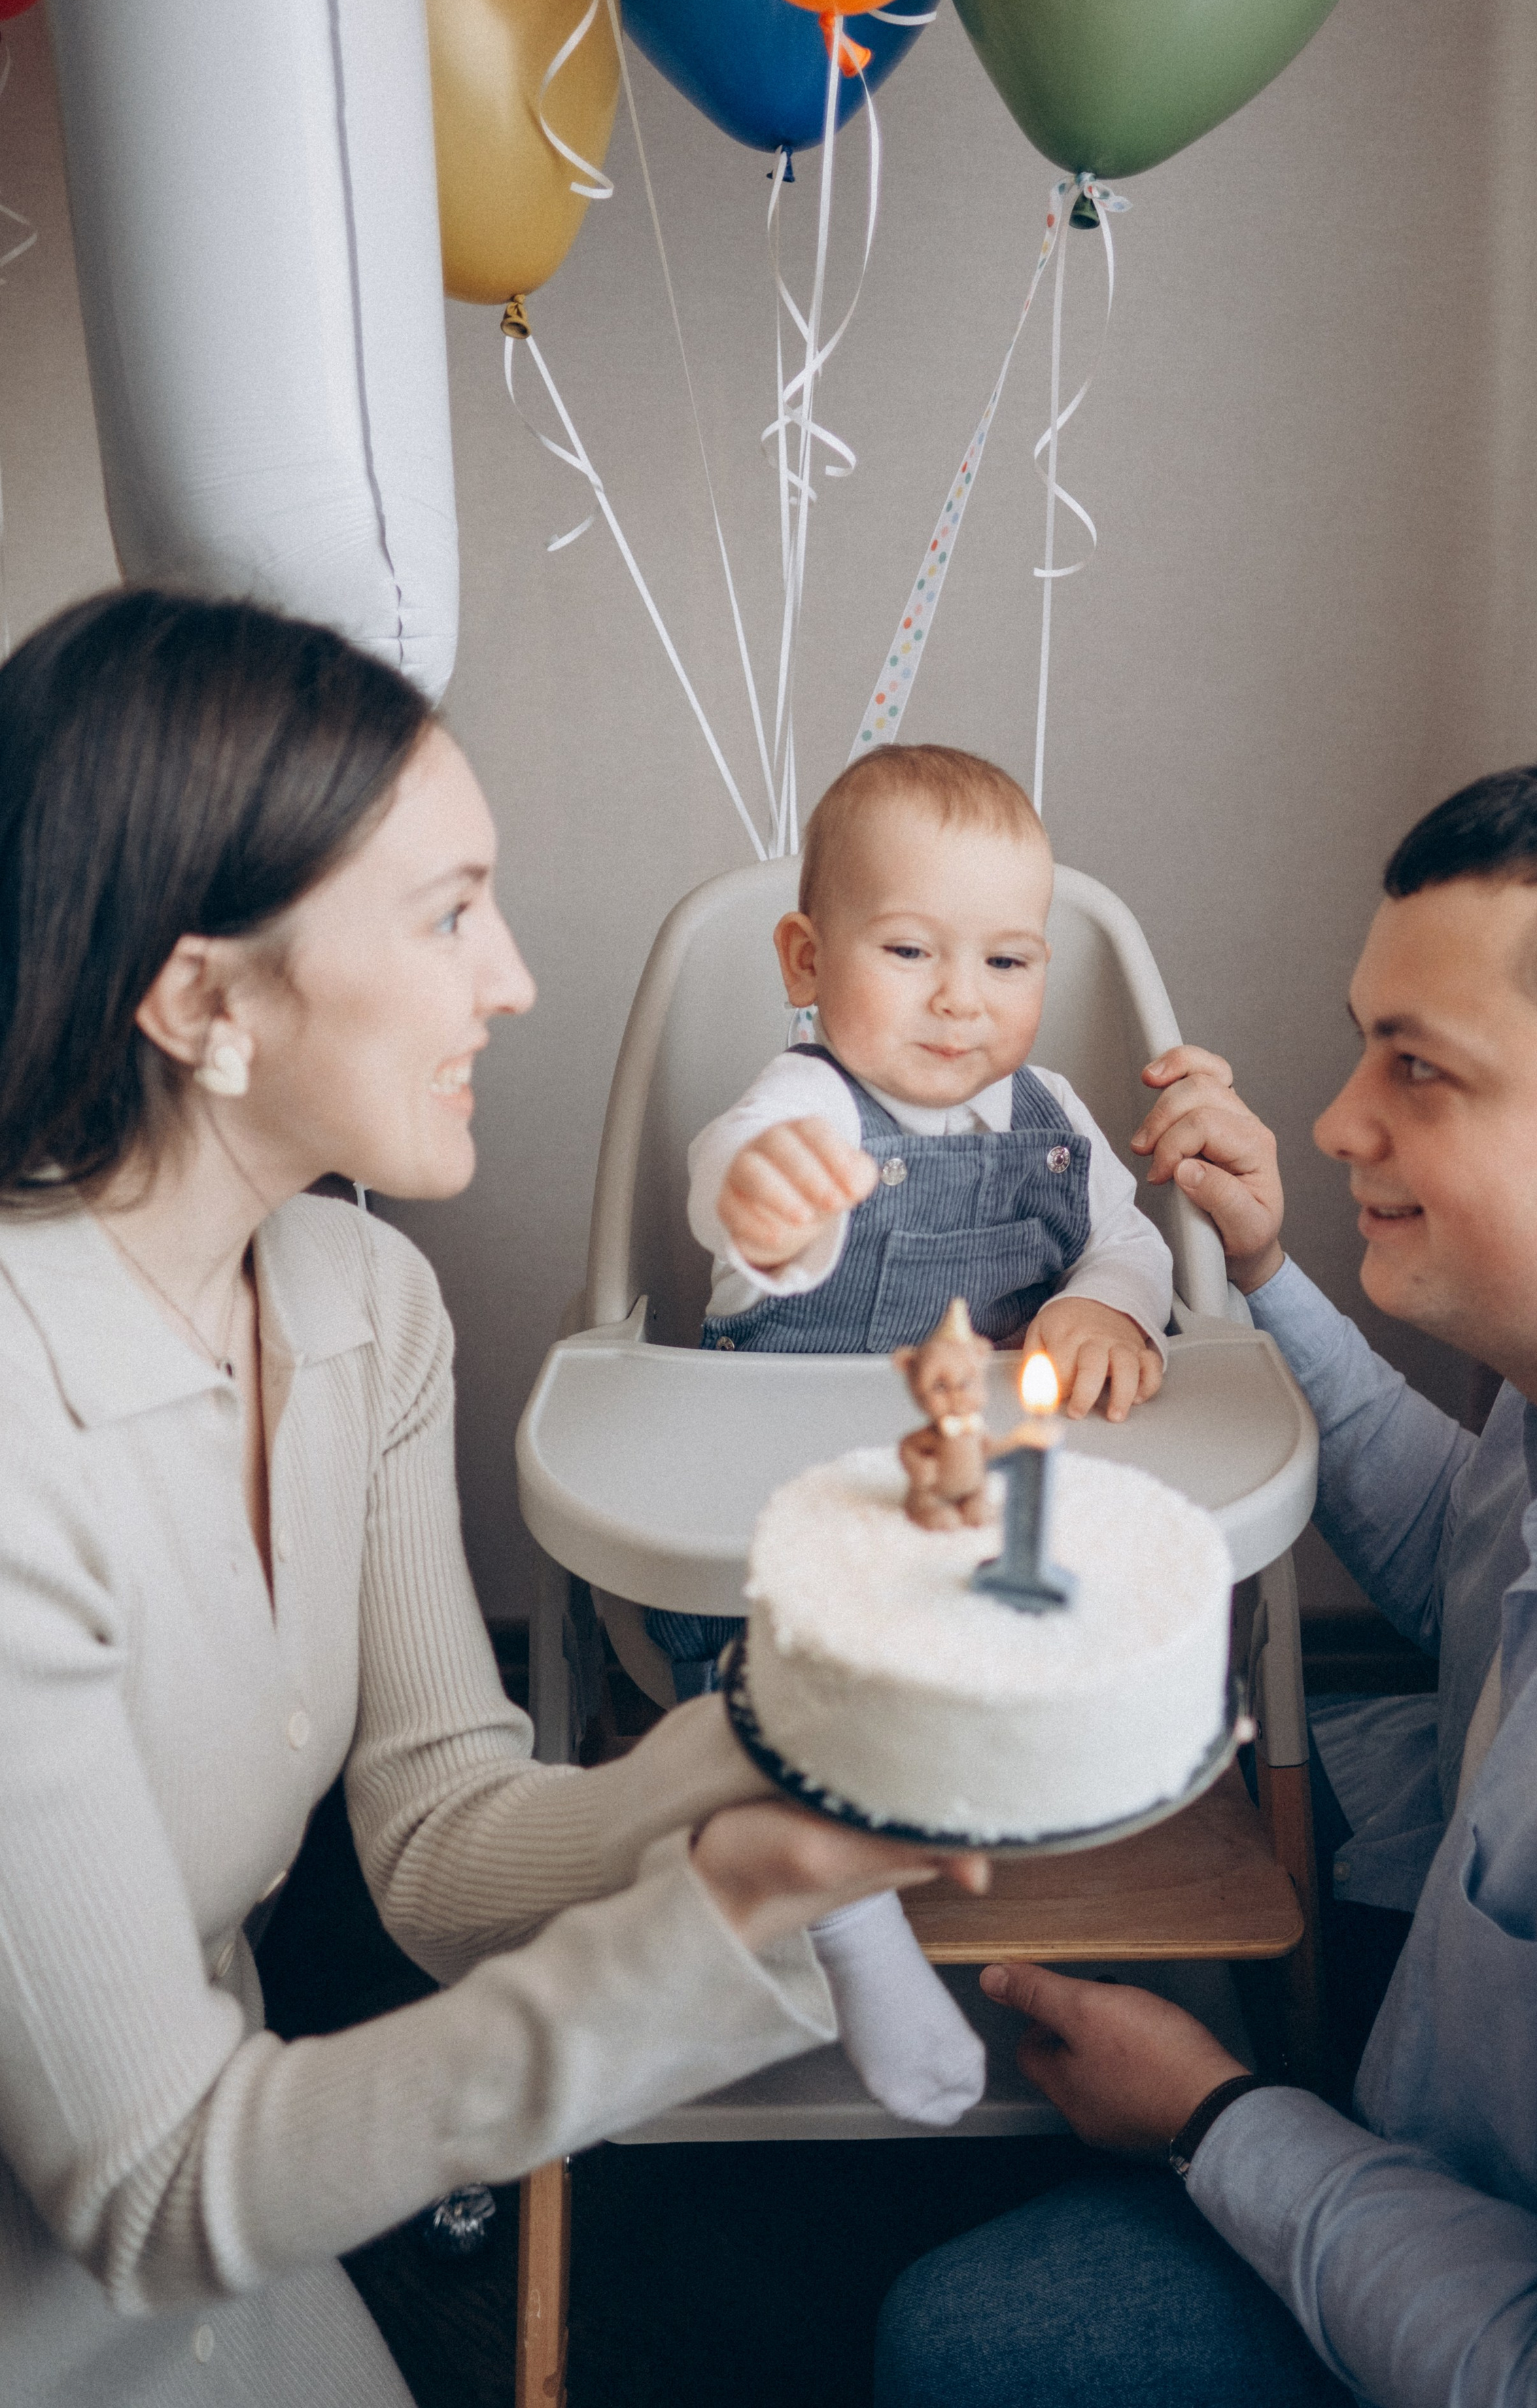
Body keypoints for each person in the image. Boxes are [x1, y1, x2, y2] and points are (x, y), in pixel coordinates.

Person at [0, 589, 988, 2408]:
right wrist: (711, 1925)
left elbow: (444, 1841)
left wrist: (783, 1738)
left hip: (245, 2240)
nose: (513, 975)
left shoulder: (358, 1304)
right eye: (451, 912)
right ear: (202, 995)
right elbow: (145, 2187)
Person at [876, 753, 1537, 2408]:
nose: (1340, 1119)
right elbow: (1456, 1573)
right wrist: (1261, 1271)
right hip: (1436, 2074)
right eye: (1363, 1046)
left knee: (974, 2338)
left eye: (1418, 1072)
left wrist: (1216, 2118)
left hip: (1507, 2298)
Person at [646, 744, 1175, 2129]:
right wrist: (758, 1203)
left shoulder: (1053, 1118)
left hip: (985, 1494)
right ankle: (850, 1923)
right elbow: (734, 1163)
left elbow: (1127, 1244)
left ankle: (983, 1793)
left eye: (1007, 962)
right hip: (810, 1501)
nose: (961, 998)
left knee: (1092, 1612)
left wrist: (1104, 1306)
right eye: (909, 949)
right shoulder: (808, 1108)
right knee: (782, 1679)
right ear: (806, 956)